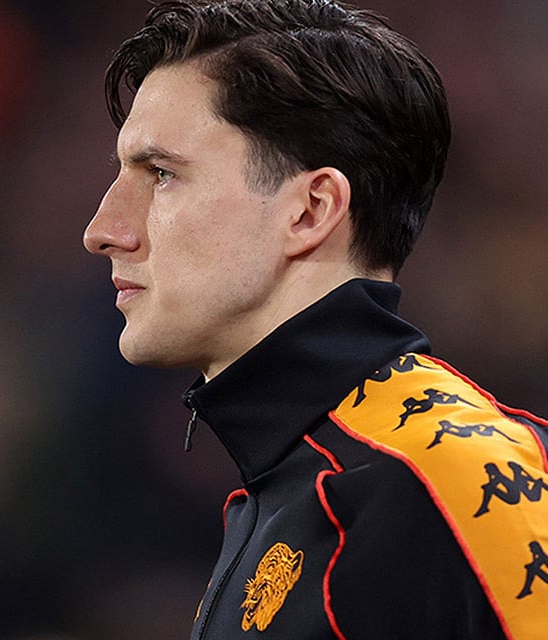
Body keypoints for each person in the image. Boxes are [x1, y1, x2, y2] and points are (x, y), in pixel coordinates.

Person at [83, 1, 548, 638]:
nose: (103, 231)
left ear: (310, 210)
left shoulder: (449, 483)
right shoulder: (281, 499)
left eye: (161, 174)